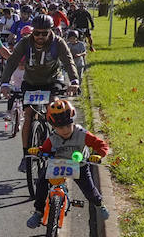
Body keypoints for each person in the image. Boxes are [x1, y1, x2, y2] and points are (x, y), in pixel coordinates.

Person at [0, 13, 79, 170]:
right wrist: (4, 83)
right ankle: (26, 154)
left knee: (56, 110)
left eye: (44, 33)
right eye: (37, 33)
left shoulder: (58, 43)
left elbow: (68, 62)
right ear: (32, 31)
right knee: (28, 115)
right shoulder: (25, 43)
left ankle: (60, 148)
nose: (40, 36)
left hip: (52, 81)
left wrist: (74, 81)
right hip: (31, 82)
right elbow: (12, 61)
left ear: (50, 31)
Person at [26, 97, 110, 227]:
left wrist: (98, 155)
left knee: (89, 189)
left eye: (67, 125)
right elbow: (45, 149)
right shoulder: (53, 137)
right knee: (42, 183)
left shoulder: (82, 134)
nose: (64, 130)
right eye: (60, 127)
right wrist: (38, 151)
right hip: (58, 164)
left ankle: (99, 205)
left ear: (73, 121)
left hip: (79, 165)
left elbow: (101, 145)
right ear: (53, 126)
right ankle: (38, 212)